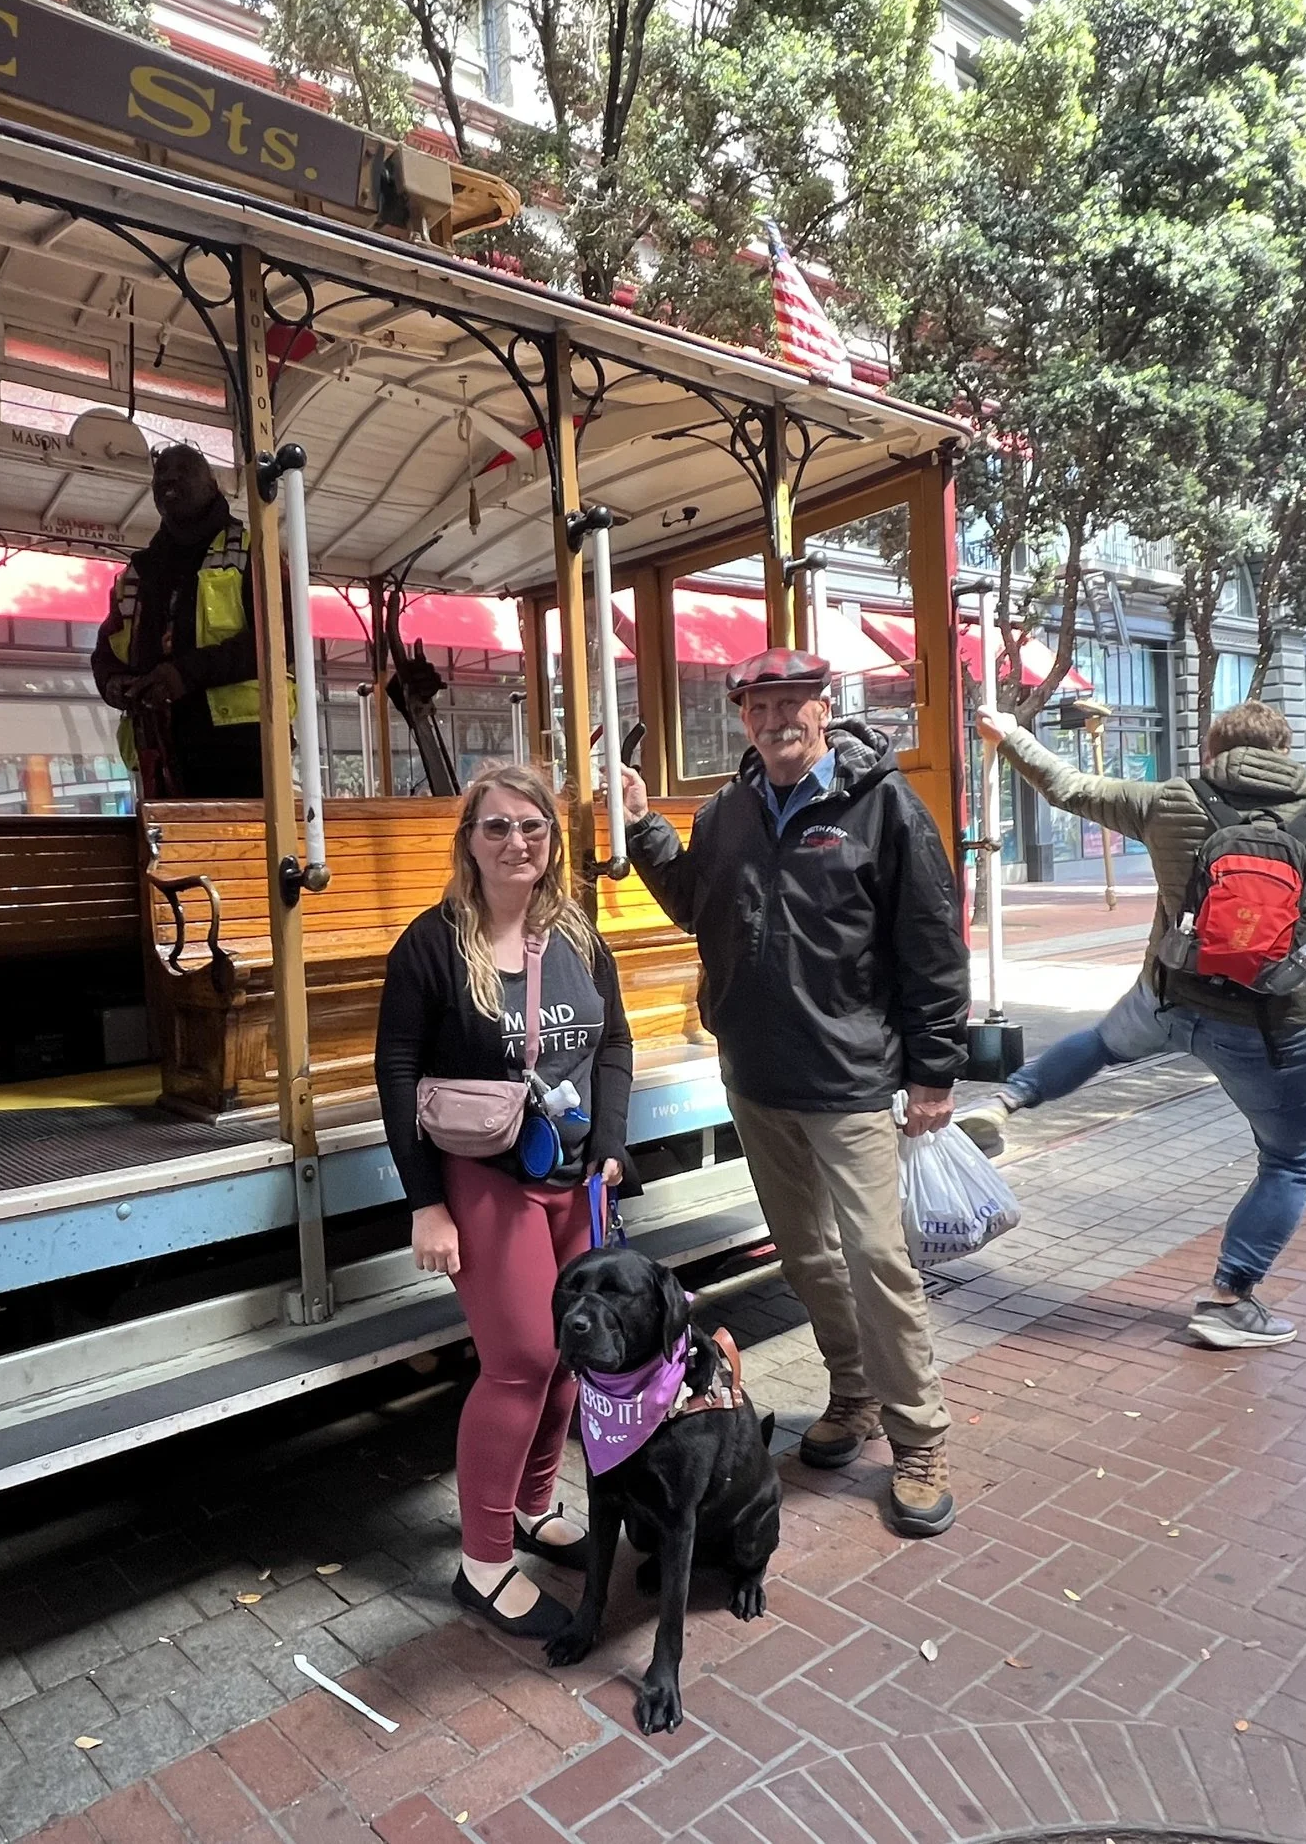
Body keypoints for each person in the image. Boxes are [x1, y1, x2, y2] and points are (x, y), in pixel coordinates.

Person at [961, 701, 1306, 1349]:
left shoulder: (1170, 800)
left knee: (1101, 1044)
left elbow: (1069, 787)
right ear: (1285, 752)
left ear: (1211, 750)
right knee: (1291, 1158)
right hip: (1263, 1025)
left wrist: (1011, 737)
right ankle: (1228, 1299)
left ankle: (1008, 1099)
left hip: (1165, 1000)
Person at [618, 648, 972, 1537]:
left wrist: (933, 1070)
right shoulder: (726, 814)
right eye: (758, 705)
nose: (776, 719)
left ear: (825, 707)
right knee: (807, 1255)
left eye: (793, 702)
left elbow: (932, 941)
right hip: (758, 1076)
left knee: (878, 1261)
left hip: (851, 1079)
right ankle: (851, 1394)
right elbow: (701, 904)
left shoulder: (882, 803)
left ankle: (918, 1437)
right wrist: (642, 828)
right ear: (742, 716)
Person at [374, 763, 634, 1640]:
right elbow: (399, 1073)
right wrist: (425, 1203)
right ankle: (483, 1562)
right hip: (485, 1182)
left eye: (533, 827)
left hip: (573, 1181)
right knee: (521, 1359)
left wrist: (609, 1148)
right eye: (496, 827)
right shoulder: (432, 943)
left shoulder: (577, 933)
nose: (516, 842)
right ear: (469, 841)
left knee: (572, 1352)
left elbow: (614, 1044)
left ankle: (530, 1508)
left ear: (553, 841)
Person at [92, 444, 269, 799]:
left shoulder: (254, 552)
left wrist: (184, 674)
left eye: (184, 468)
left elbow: (280, 643)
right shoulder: (139, 572)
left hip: (240, 755)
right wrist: (117, 684)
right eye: (161, 472)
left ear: (214, 483)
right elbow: (105, 653)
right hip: (158, 755)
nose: (169, 477)